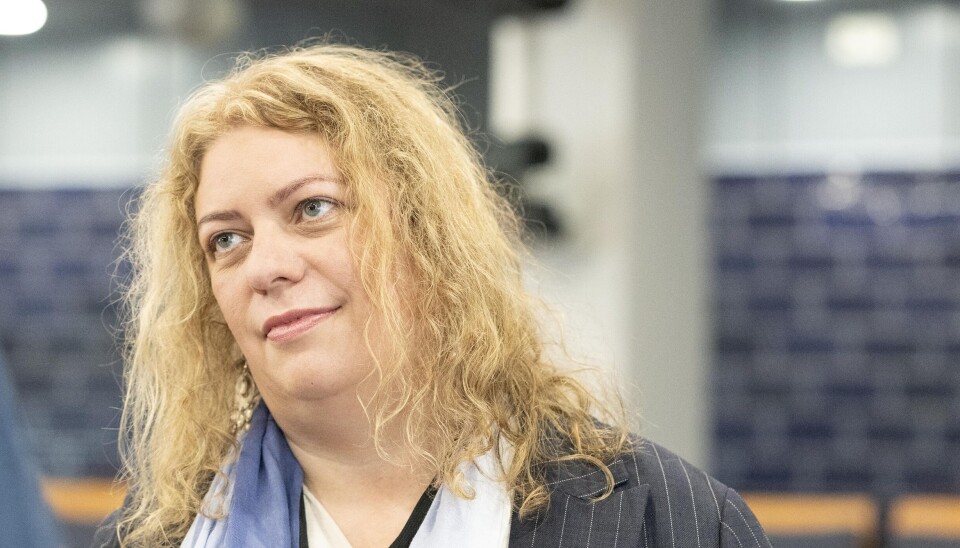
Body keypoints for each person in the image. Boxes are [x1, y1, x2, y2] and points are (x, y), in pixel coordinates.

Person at [94, 43, 771, 547]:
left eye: (313, 209)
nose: (264, 266)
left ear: (426, 232)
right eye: (226, 239)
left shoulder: (666, 521)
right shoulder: (161, 536)